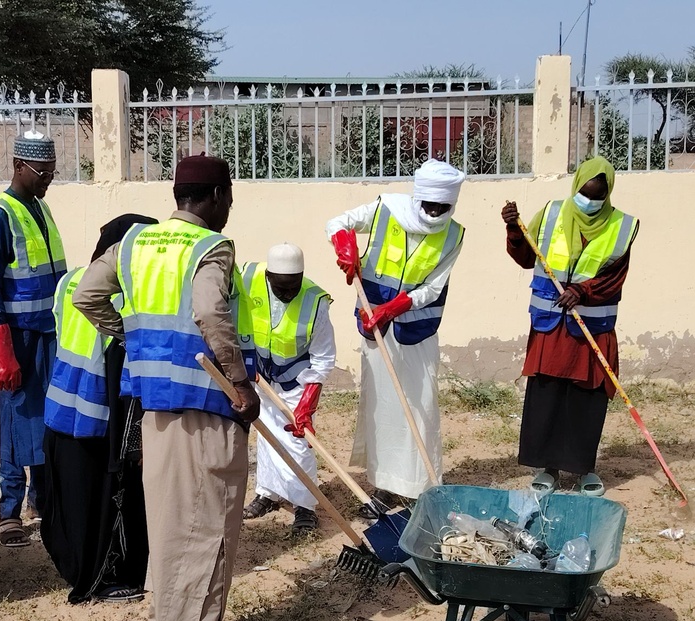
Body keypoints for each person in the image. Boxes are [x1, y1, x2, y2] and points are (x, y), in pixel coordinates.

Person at [72, 154, 261, 621]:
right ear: (217, 196)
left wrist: (132, 338)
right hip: (207, 406)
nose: (229, 209)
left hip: (155, 409)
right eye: (229, 198)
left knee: (171, 524)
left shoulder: (133, 242)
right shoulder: (212, 247)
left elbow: (86, 294)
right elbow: (208, 310)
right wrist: (241, 386)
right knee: (211, 527)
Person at [325, 159, 466, 509]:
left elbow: (433, 288)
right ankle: (385, 487)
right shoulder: (385, 208)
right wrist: (346, 247)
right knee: (383, 404)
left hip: (416, 328)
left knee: (420, 405)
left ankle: (422, 487)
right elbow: (337, 222)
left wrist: (394, 307)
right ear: (417, 198)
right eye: (428, 206)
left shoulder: (454, 234)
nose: (434, 213)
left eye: (442, 208)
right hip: (374, 321)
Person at [501, 156, 638, 497]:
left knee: (586, 398)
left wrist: (582, 290)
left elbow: (614, 278)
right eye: (585, 193)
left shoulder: (622, 226)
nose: (589, 202)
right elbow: (526, 256)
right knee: (546, 395)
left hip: (592, 325)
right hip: (551, 323)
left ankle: (583, 468)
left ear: (607, 196)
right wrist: (515, 231)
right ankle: (547, 468)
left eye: (597, 197)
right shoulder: (550, 213)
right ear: (576, 186)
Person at [41, 214, 155, 603]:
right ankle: (101, 579)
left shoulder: (68, 281)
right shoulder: (123, 294)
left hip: (61, 407)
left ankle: (74, 568)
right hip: (99, 415)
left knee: (71, 500)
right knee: (104, 500)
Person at [0, 131, 67, 547]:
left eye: (51, 170)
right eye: (41, 171)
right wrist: (1, 352)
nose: (48, 178)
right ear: (18, 166)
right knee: (16, 420)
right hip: (17, 339)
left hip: (49, 334)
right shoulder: (0, 216)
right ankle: (8, 512)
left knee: (49, 417)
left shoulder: (40, 208)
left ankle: (41, 498)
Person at [241, 243, 335, 535]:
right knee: (266, 435)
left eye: (293, 286)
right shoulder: (248, 282)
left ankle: (305, 505)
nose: (288, 293)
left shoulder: (314, 301)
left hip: (296, 378)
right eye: (281, 288)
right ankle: (267, 493)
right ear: (269, 276)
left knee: (297, 443)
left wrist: (307, 401)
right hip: (260, 375)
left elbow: (323, 356)